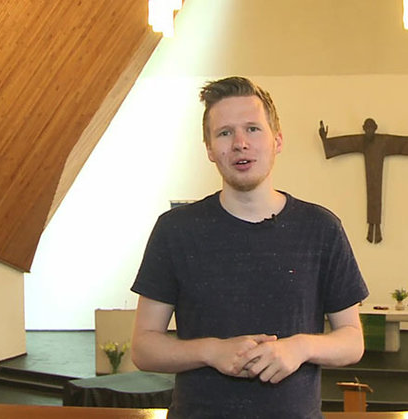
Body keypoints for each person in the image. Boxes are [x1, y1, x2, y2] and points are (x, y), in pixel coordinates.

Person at [130, 76, 369, 418]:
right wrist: (211, 351)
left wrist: (300, 347)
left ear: (278, 141)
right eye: (225, 132)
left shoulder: (321, 229)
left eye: (253, 129)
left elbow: (352, 340)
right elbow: (144, 346)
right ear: (210, 149)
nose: (240, 143)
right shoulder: (176, 231)